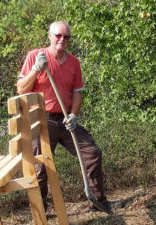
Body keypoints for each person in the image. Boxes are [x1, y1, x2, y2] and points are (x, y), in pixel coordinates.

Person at [17, 21, 120, 212]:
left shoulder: (74, 62)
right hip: (41, 120)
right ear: (50, 36)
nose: (62, 40)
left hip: (65, 121)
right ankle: (41, 212)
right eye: (58, 36)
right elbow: (21, 89)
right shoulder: (35, 56)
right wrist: (36, 69)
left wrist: (73, 115)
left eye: (66, 37)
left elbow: (77, 93)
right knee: (41, 166)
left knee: (92, 153)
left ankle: (97, 201)